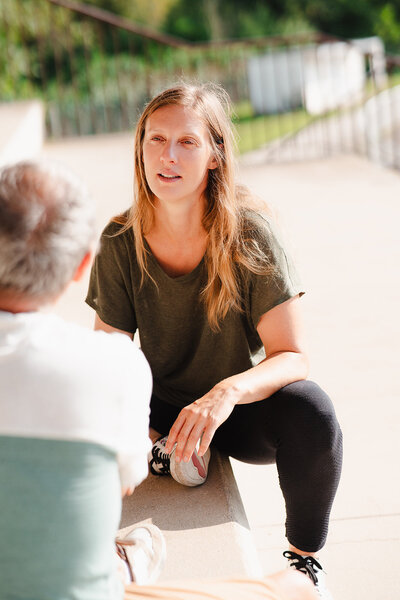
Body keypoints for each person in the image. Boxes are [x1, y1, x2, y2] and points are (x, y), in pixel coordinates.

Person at [0, 160, 317, 600]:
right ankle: (129, 564)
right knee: (289, 590)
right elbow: (121, 481)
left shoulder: (250, 233)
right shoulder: (113, 365)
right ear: (82, 265)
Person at [86, 82, 343, 600]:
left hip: (238, 412)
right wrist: (137, 428)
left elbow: (292, 356)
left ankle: (304, 566)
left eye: (187, 142)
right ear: (140, 148)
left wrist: (226, 393)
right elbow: (106, 358)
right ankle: (163, 452)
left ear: (214, 154)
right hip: (161, 406)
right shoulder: (119, 240)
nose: (168, 156)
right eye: (157, 139)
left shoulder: (250, 233)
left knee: (313, 411)